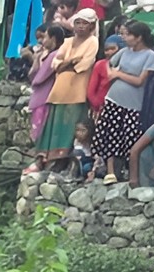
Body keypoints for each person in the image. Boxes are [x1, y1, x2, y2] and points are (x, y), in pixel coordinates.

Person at [96, 20, 154, 182]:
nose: (125, 37)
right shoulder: (124, 52)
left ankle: (132, 173)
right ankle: (111, 172)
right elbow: (108, 64)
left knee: (131, 136)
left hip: (133, 103)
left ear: (138, 37)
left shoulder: (150, 55)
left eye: (128, 34)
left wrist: (118, 75)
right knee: (110, 133)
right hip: (113, 98)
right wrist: (112, 72)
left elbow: (140, 81)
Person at [36, 7, 99, 170]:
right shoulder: (68, 42)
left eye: (84, 23)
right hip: (59, 89)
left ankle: (65, 159)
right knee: (54, 124)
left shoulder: (92, 42)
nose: (80, 26)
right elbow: (55, 64)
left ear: (91, 26)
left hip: (77, 91)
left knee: (71, 126)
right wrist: (70, 62)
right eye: (77, 22)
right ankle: (50, 158)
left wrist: (66, 63)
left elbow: (84, 64)